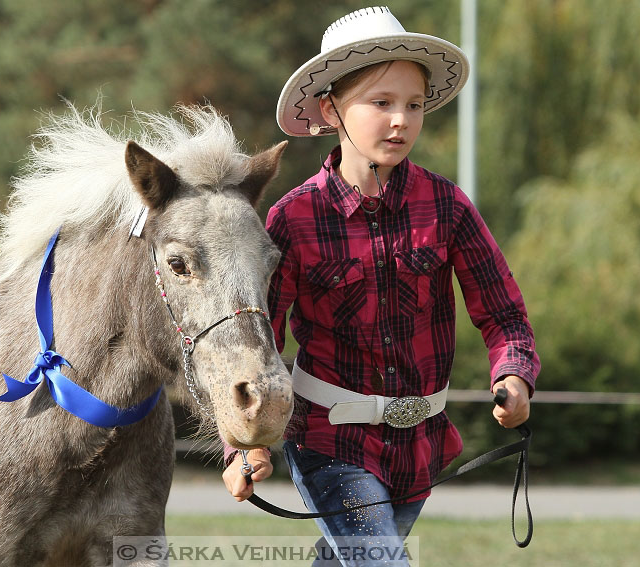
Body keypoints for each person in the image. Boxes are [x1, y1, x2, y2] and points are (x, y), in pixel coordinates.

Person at [222, 6, 539, 566]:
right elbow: (256, 345)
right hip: (327, 441)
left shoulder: (447, 207)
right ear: (331, 109)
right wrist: (244, 443)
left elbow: (503, 313)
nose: (401, 121)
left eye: (413, 105)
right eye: (381, 103)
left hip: (421, 446)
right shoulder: (293, 219)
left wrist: (513, 373)